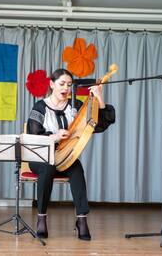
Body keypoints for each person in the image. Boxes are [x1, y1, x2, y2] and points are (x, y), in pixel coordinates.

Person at [27, 68, 115, 240]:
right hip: (41, 156)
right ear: (52, 84)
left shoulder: (75, 107)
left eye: (68, 85)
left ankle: (82, 219)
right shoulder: (40, 107)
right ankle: (41, 218)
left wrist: (99, 98)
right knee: (47, 167)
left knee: (76, 170)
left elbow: (98, 125)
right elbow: (33, 138)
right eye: (61, 84)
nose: (66, 88)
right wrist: (55, 136)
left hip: (66, 156)